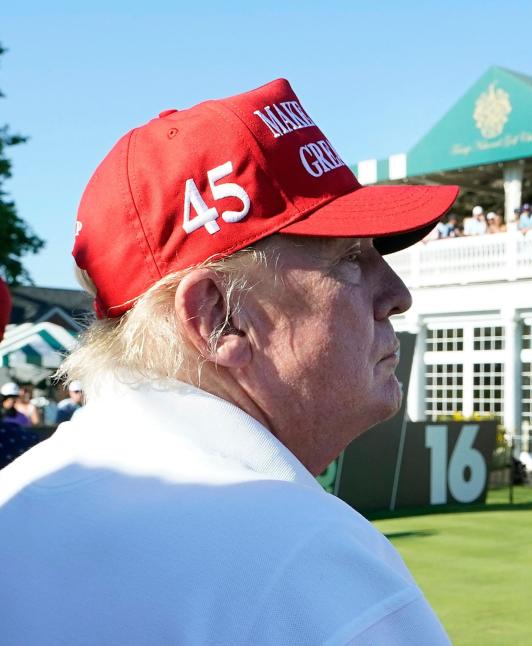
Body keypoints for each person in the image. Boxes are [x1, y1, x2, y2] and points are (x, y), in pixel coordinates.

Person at [0, 79, 457, 643]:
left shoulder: (13, 502)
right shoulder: (303, 553)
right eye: (349, 259)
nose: (397, 294)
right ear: (218, 318)